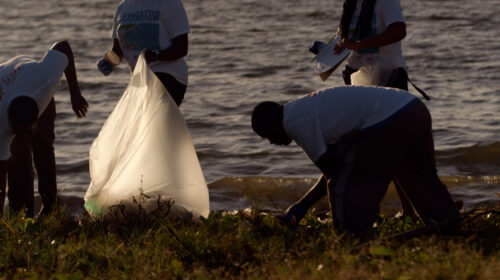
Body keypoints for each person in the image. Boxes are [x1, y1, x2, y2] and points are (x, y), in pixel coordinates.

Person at [251, 86, 461, 235]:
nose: (272, 142)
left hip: (388, 120)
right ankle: (447, 224)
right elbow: (337, 167)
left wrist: (301, 207)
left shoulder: (294, 122)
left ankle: (349, 235)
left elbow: (334, 173)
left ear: (271, 124)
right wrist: (301, 206)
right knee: (419, 176)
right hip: (413, 108)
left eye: (267, 136)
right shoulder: (304, 109)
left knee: (344, 187)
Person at [0, 41, 88, 218]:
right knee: (18, 159)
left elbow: (63, 46)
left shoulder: (45, 81)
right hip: (8, 84)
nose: (24, 135)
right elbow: (1, 173)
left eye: (27, 131)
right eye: (19, 132)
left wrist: (75, 93)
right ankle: (22, 215)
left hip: (30, 81)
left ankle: (50, 208)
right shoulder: (3, 126)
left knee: (44, 150)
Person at [97, 0, 190, 107]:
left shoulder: (169, 3)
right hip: (139, 77)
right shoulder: (123, 7)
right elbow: (118, 51)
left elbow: (182, 48)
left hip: (169, 75)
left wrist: (156, 56)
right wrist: (108, 62)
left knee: (150, 117)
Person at [334, 0, 408, 90]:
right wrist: (324, 57)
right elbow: (343, 42)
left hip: (388, 74)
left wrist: (359, 45)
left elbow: (398, 31)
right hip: (355, 74)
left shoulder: (387, 2)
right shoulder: (350, 5)